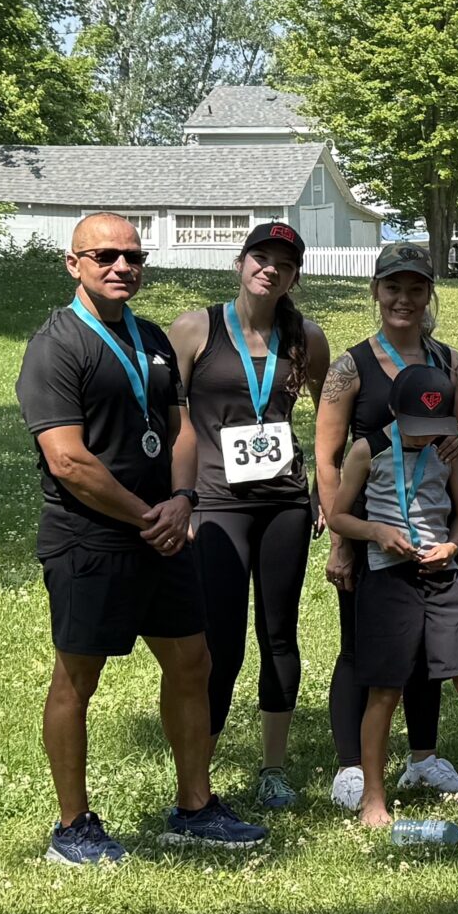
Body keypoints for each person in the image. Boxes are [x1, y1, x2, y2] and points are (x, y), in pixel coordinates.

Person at [15, 212, 267, 864]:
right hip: (90, 538)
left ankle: (194, 807)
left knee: (192, 663)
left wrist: (181, 501)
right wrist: (146, 515)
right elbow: (67, 459)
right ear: (74, 264)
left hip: (164, 533)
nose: (122, 266)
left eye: (133, 256)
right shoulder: (56, 346)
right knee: (78, 678)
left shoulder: (150, 338)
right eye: (104, 256)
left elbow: (181, 429)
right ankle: (73, 827)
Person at [167, 220, 329, 807]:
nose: (270, 269)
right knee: (222, 642)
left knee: (279, 634)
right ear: (240, 263)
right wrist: (181, 496)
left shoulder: (307, 337)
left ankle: (273, 769)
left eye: (283, 264)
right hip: (216, 503)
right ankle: (199, 776)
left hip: (284, 503)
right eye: (261, 257)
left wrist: (323, 491)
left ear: (294, 277)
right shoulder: (194, 329)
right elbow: (171, 419)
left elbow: (329, 420)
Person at [314, 245, 458, 810]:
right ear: (376, 291)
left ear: (429, 293)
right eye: (393, 287)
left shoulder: (450, 363)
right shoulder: (351, 366)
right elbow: (328, 457)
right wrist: (342, 542)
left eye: (415, 288)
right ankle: (353, 766)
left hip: (430, 529)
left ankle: (424, 758)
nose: (404, 299)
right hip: (369, 530)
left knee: (428, 649)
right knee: (362, 649)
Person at [324, 362, 458, 828]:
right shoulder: (367, 450)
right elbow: (339, 516)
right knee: (385, 691)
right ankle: (373, 797)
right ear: (394, 412)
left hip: (442, 576)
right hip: (387, 578)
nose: (422, 437)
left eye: (431, 427)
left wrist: (452, 545)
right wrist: (376, 532)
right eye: (414, 427)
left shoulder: (446, 449)